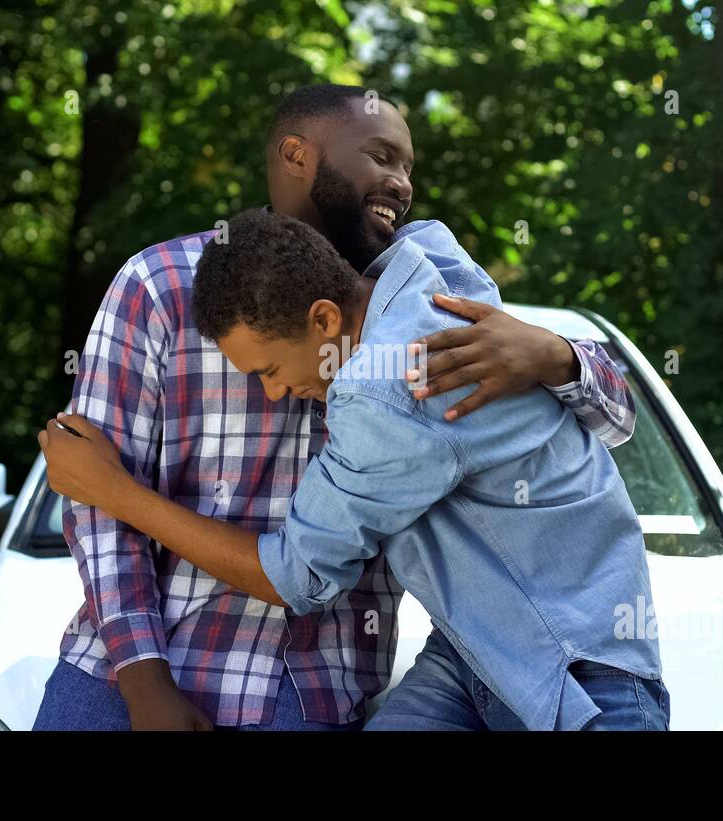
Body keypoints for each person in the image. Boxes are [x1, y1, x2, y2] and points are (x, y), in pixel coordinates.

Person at [34, 84, 640, 731]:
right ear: (298, 155)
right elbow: (89, 490)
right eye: (383, 157)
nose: (402, 182)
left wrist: (555, 354)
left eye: (409, 166)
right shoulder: (159, 286)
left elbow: (612, 419)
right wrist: (142, 678)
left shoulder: (430, 276)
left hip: (311, 680)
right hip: (126, 669)